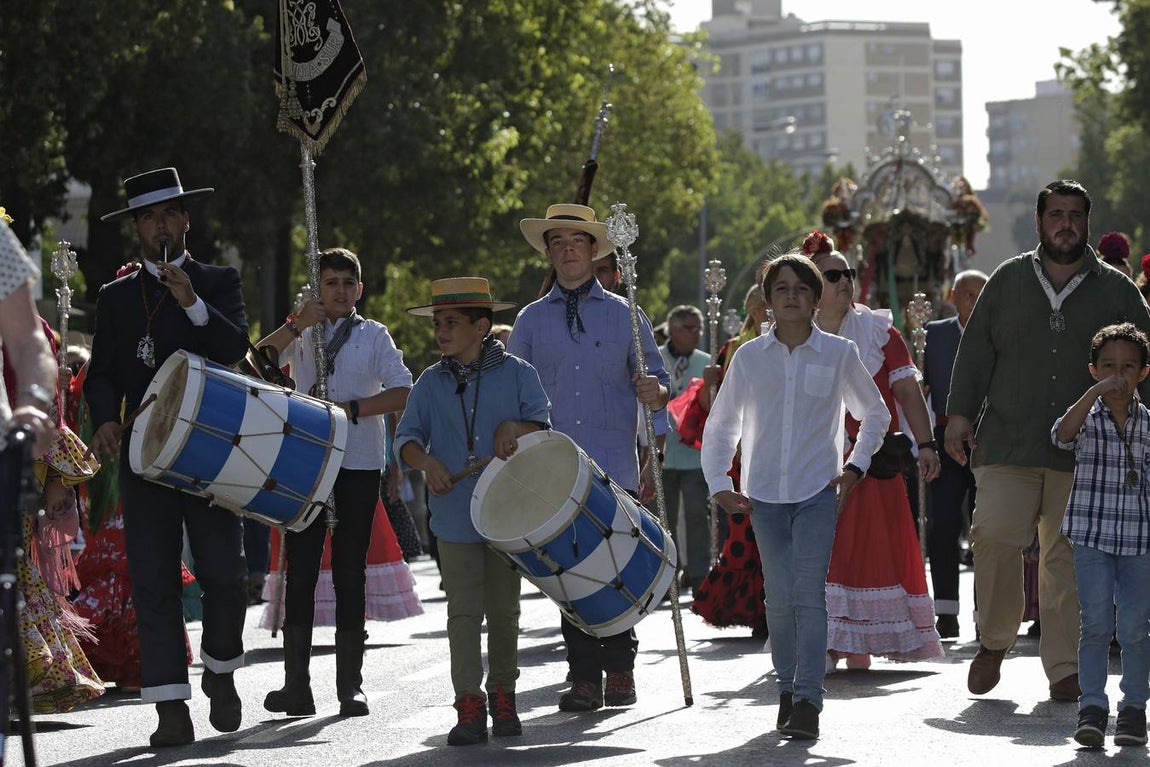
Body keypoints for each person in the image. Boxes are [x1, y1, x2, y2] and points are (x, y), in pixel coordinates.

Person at [946, 179, 1150, 702]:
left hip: (1087, 453)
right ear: (1039, 222)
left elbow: (1144, 365)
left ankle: (1063, 666)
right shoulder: (1008, 279)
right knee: (992, 535)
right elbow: (975, 353)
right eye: (1056, 214)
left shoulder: (1117, 291)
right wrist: (960, 415)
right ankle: (994, 640)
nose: (1066, 224)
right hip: (1008, 442)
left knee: (1067, 557)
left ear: (1087, 221)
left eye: (1075, 215)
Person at [85, 167, 250, 746]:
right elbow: (100, 372)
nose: (160, 225)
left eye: (169, 215)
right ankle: (169, 709)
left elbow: (235, 349)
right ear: (138, 229)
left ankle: (222, 670)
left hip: (210, 452)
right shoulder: (115, 296)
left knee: (225, 576)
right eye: (148, 218)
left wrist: (192, 301)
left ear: (186, 220)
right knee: (152, 581)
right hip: (144, 454)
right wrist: (105, 418)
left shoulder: (218, 280)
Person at [702, 252, 889, 740]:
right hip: (762, 495)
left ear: (815, 299)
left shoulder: (838, 353)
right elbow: (723, 424)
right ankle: (786, 687)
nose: (791, 296)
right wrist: (719, 483)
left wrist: (855, 469)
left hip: (817, 494)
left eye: (801, 289)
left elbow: (876, 414)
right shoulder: (748, 358)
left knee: (809, 596)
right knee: (778, 599)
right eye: (781, 288)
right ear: (767, 301)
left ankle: (808, 698)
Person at [507, 202, 669, 712]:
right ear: (549, 254)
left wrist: (654, 393)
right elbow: (517, 392)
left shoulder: (627, 313)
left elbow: (662, 385)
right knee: (567, 574)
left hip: (614, 465)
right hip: (554, 468)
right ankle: (582, 677)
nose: (567, 250)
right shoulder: (530, 321)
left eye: (576, 242)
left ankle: (620, 669)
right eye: (557, 243)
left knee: (617, 567)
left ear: (594, 250)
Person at [256, 247, 412, 718]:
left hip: (360, 464)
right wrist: (297, 323)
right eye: (331, 283)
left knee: (349, 571)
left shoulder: (375, 335)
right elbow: (258, 360)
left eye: (348, 282)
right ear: (317, 289)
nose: (340, 290)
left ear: (359, 290)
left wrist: (353, 411)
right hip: (307, 463)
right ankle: (296, 687)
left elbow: (403, 389)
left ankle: (351, 687)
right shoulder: (303, 334)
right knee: (300, 571)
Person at [396, 276, 550, 745]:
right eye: (438, 323)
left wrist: (513, 425)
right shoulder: (429, 380)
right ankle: (468, 707)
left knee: (504, 612)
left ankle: (504, 696)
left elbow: (543, 428)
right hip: (453, 515)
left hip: (509, 514)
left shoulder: (519, 372)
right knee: (463, 614)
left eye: (451, 323)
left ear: (482, 326)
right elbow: (405, 440)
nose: (441, 332)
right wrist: (425, 463)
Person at [804, 231, 943, 669]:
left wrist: (926, 444)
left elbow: (907, 391)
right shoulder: (788, 333)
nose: (845, 281)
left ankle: (857, 641)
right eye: (832, 275)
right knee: (818, 552)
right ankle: (823, 642)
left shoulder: (880, 331)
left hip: (871, 463)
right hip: (812, 465)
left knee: (864, 551)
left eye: (848, 274)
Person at [1053, 323, 1150, 748]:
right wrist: (1093, 394)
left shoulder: (1148, 425)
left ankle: (1134, 709)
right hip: (1092, 536)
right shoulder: (1086, 418)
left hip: (1139, 540)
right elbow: (1060, 436)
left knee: (1133, 627)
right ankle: (1092, 706)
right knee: (1094, 624)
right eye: (1108, 366)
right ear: (1093, 370)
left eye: (1128, 367)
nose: (1118, 375)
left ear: (1143, 373)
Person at [692, 283, 769, 636]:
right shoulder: (733, 350)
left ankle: (771, 609)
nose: (766, 314)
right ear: (751, 311)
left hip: (777, 450)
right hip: (743, 456)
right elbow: (715, 411)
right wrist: (711, 383)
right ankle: (752, 609)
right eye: (760, 308)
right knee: (743, 535)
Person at [923, 269, 988, 639]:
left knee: (987, 529)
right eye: (967, 294)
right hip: (944, 440)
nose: (974, 300)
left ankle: (986, 614)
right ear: (953, 296)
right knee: (943, 523)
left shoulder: (1002, 333)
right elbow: (921, 386)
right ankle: (945, 611)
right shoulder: (932, 335)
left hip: (988, 441)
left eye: (982, 293)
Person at [659, 305, 717, 593]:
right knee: (663, 518)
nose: (698, 334)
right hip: (662, 455)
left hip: (694, 455)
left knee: (697, 514)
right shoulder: (653, 359)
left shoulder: (707, 364)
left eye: (700, 328)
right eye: (691, 328)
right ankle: (668, 573)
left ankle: (698, 575)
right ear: (675, 330)